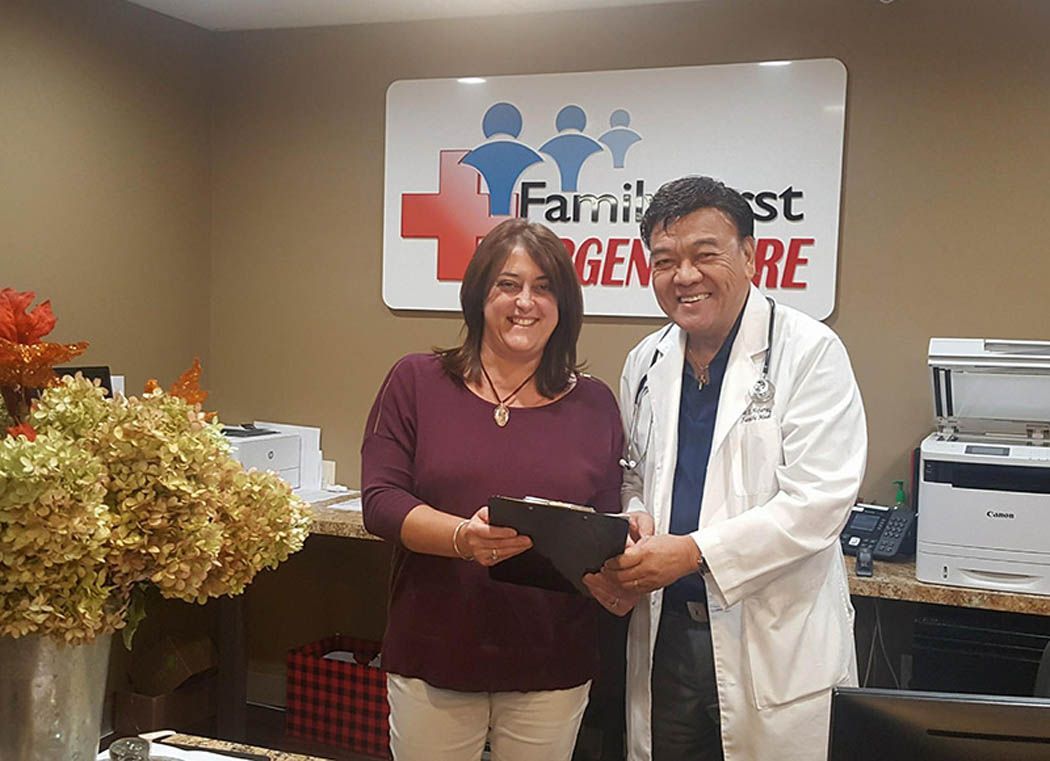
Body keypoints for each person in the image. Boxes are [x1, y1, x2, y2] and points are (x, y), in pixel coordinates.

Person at [584, 176, 867, 761]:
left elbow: (818, 502)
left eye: (704, 254)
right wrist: (635, 518)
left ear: (750, 255)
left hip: (772, 636)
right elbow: (634, 474)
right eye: (665, 261)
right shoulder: (645, 362)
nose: (684, 275)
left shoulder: (809, 352)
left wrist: (693, 552)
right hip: (667, 635)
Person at [361, 218, 624, 761]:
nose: (525, 302)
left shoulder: (595, 403)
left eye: (544, 287)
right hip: (436, 651)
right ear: (480, 295)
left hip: (551, 660)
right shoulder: (416, 382)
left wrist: (621, 566)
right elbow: (381, 502)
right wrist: (463, 538)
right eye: (508, 284)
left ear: (563, 306)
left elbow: (605, 521)